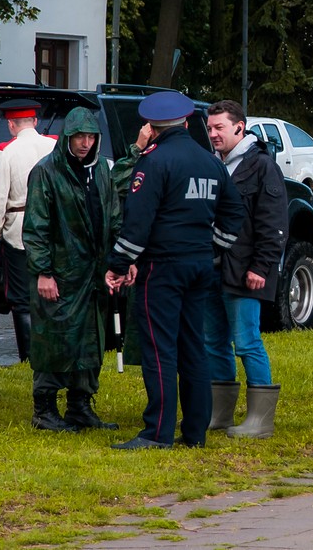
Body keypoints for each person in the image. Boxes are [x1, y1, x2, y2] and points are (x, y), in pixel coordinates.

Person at [105, 92, 246, 450]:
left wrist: (119, 265)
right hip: (199, 266)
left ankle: (157, 433)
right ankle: (195, 432)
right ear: (186, 123)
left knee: (160, 349)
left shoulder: (153, 162)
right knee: (193, 348)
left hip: (162, 268)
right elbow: (234, 213)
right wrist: (211, 246)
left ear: (151, 129)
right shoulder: (209, 161)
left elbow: (138, 223)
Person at [22, 107, 121, 433]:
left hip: (93, 274)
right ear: (67, 137)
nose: (85, 143)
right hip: (61, 273)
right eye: (79, 136)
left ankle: (80, 405)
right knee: (55, 339)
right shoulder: (46, 172)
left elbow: (113, 218)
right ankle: (45, 408)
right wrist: (44, 272)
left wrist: (116, 262)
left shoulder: (102, 171)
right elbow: (36, 228)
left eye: (91, 137)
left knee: (91, 339)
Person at [203, 101, 289, 439]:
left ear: (240, 127)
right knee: (214, 342)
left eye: (219, 128)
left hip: (245, 273)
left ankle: (260, 420)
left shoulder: (262, 167)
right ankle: (220, 414)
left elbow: (274, 224)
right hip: (213, 270)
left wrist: (261, 267)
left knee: (247, 342)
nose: (213, 135)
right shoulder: (214, 165)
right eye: (210, 128)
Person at [0, 98, 57, 362]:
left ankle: (29, 357)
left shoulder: (7, 152)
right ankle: (52, 353)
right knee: (54, 294)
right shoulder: (54, 146)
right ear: (35, 122)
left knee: (22, 298)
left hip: (19, 231)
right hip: (54, 229)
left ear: (11, 125)